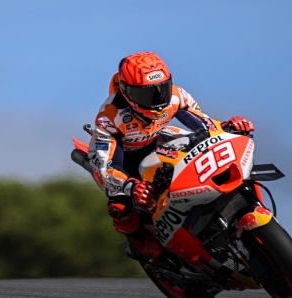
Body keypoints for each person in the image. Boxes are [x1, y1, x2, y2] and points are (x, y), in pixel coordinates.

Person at [87, 52, 255, 259]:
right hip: (120, 159)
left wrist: (228, 127)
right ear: (126, 92)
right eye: (145, 95)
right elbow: (106, 168)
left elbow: (205, 124)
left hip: (156, 141)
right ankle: (137, 237)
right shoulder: (110, 115)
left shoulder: (177, 96)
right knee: (119, 205)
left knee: (203, 147)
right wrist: (131, 185)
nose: (158, 100)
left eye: (162, 90)